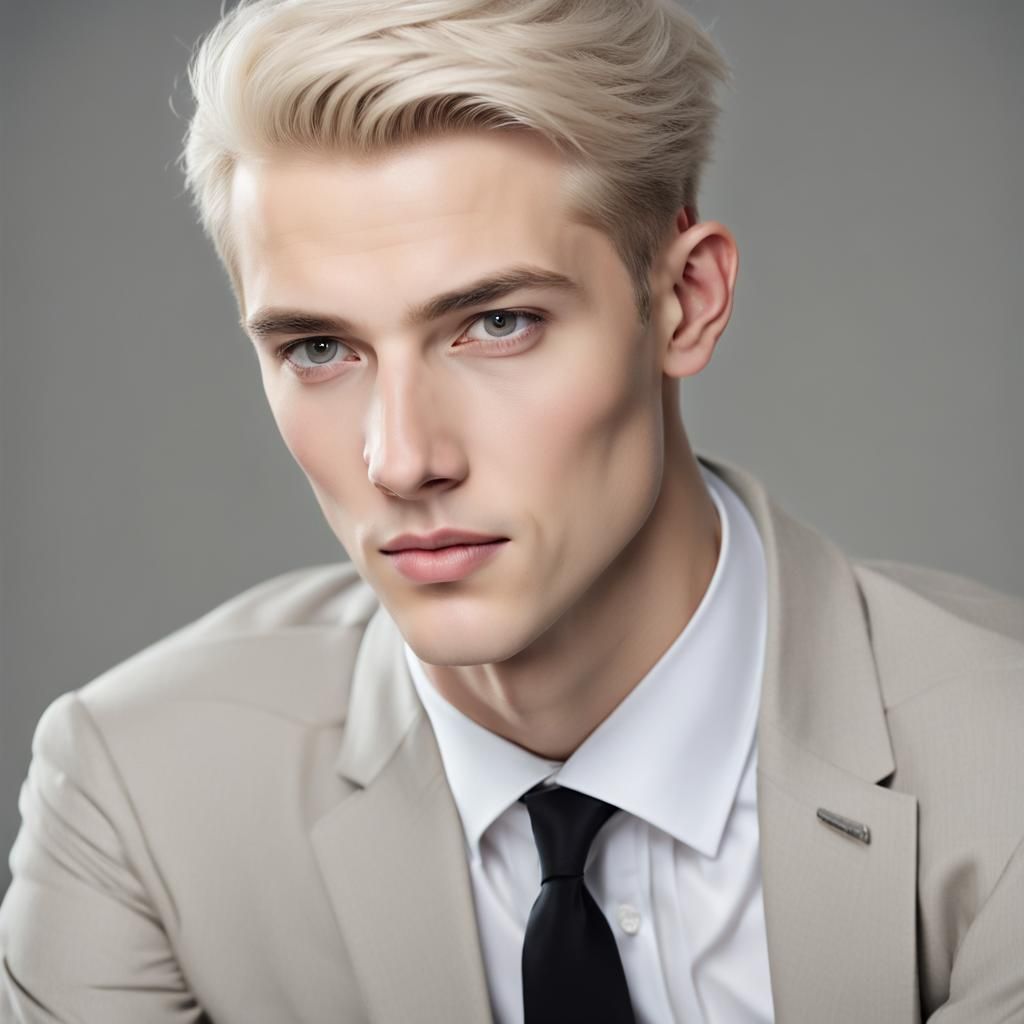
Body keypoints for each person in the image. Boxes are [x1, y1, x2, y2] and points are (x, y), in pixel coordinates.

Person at [2, 0, 1022, 1021]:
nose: (401, 458)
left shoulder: (1000, 762)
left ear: (684, 300)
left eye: (496, 323)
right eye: (319, 348)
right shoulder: (135, 790)